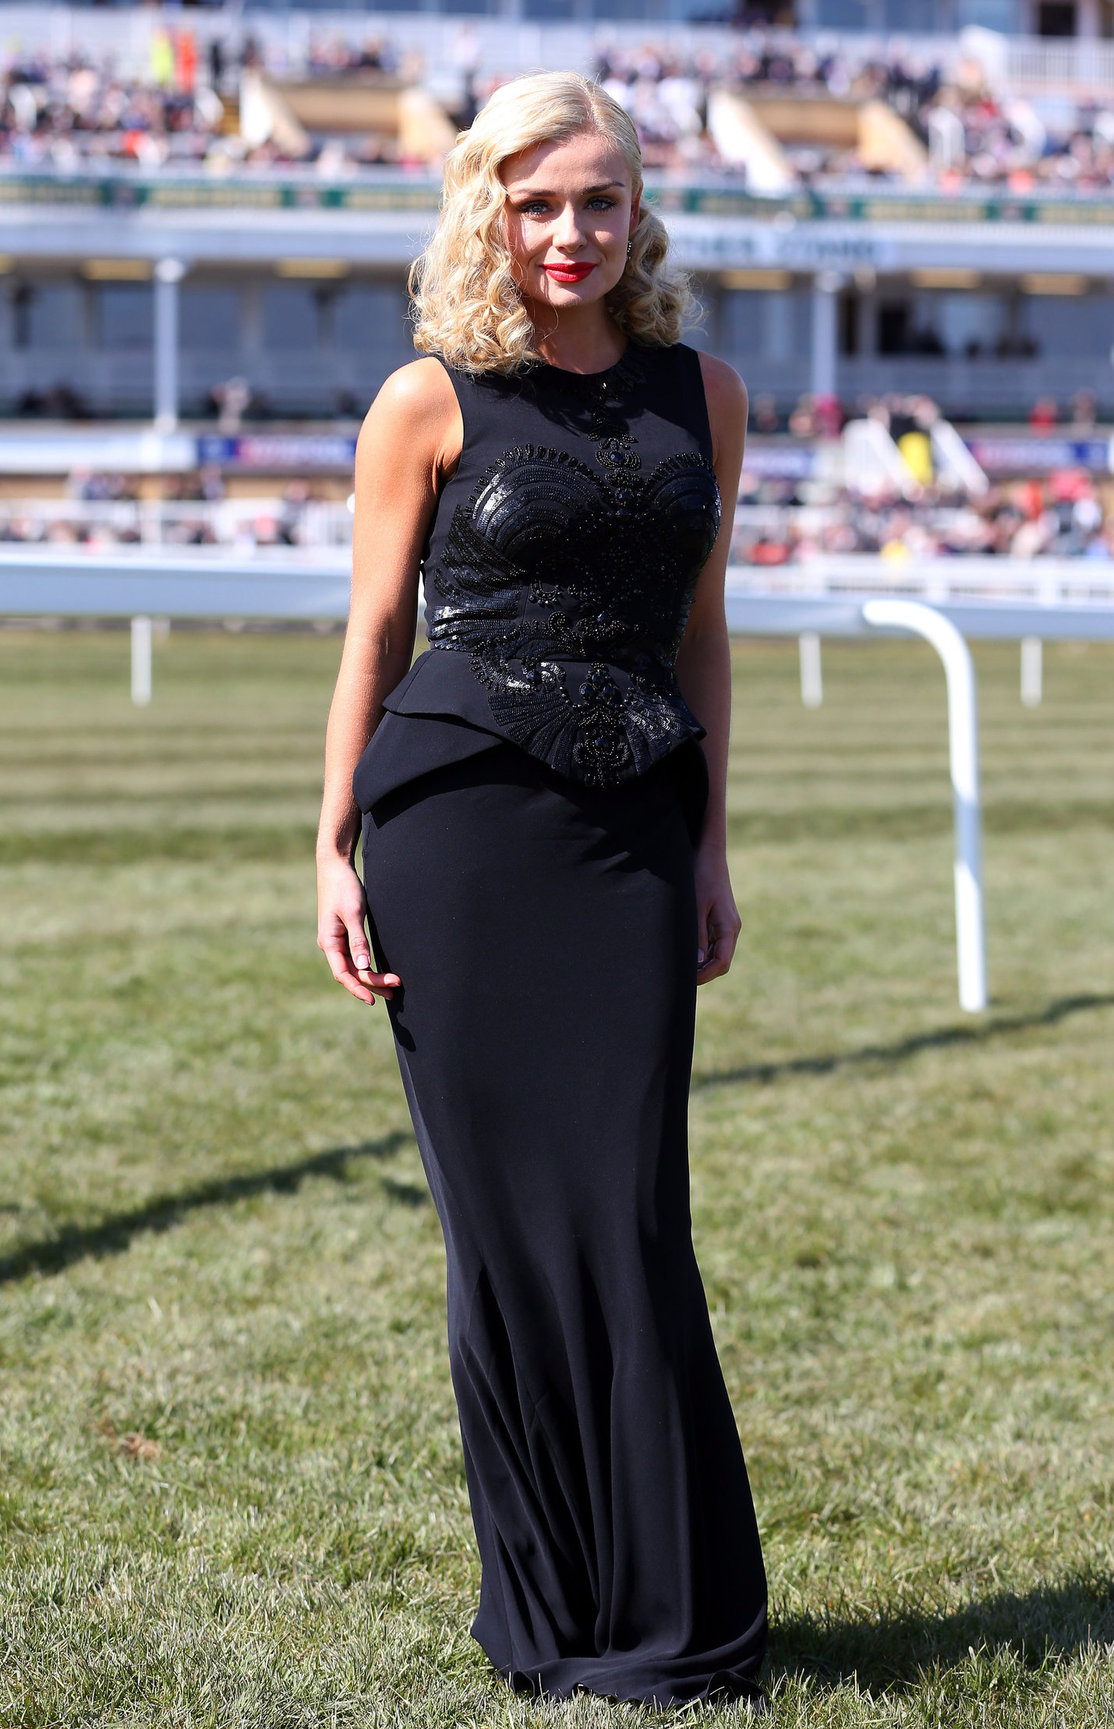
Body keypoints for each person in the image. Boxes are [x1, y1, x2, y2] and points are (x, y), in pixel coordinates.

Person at [315, 71, 767, 1709]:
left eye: (597, 200)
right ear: (485, 212)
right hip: (456, 836)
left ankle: (675, 1614)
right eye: (534, 201)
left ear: (642, 209)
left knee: (633, 1212)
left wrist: (710, 844)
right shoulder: (426, 398)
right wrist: (330, 847)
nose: (568, 232)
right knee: (501, 1238)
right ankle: (556, 1620)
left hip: (633, 835)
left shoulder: (703, 389)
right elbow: (373, 639)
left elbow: (701, 633)